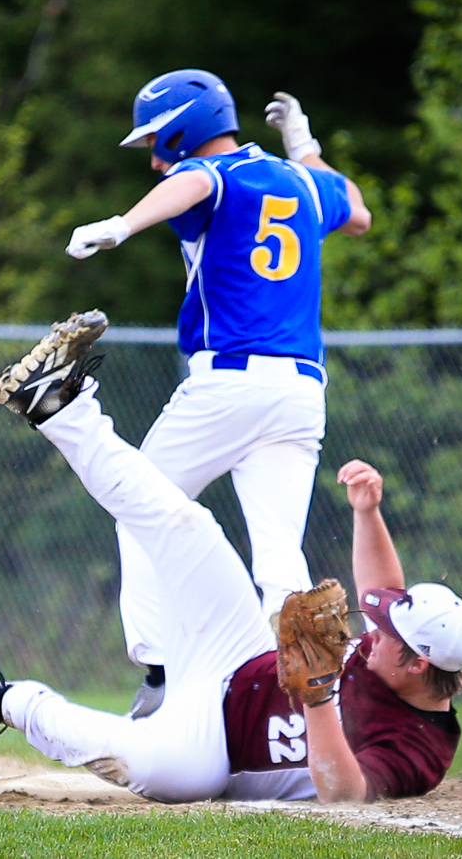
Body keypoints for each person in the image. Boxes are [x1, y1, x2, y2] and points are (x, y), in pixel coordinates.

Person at [0, 311, 462, 804]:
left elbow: (344, 793)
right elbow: (385, 591)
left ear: (417, 666)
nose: (371, 628)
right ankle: (58, 407)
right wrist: (367, 512)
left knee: (169, 774)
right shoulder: (400, 650)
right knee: (186, 522)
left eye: (386, 635)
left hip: (212, 744)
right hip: (237, 651)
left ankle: (7, 702)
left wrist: (316, 696)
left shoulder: (421, 748)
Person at [63, 71, 372, 714]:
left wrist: (123, 224)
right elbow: (359, 211)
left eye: (156, 138)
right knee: (280, 551)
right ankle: (298, 704)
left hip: (231, 381)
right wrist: (304, 145)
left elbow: (197, 181)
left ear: (185, 128)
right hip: (300, 394)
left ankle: (161, 676)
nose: (153, 155)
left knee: (137, 500)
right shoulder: (304, 184)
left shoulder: (214, 174)